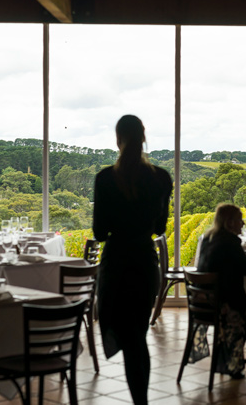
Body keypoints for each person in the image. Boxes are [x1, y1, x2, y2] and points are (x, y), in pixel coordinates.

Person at [93, 115, 172, 405]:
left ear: (118, 139)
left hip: (116, 264)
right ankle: (142, 400)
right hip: (144, 262)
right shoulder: (161, 178)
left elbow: (100, 232)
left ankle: (140, 401)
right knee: (137, 336)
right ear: (143, 138)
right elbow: (160, 228)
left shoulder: (105, 179)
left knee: (130, 340)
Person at [195, 203, 246, 379]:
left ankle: (228, 353)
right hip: (224, 306)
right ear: (229, 223)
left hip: (204, 302)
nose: (243, 224)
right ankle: (231, 354)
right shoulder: (230, 243)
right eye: (240, 220)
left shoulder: (208, 238)